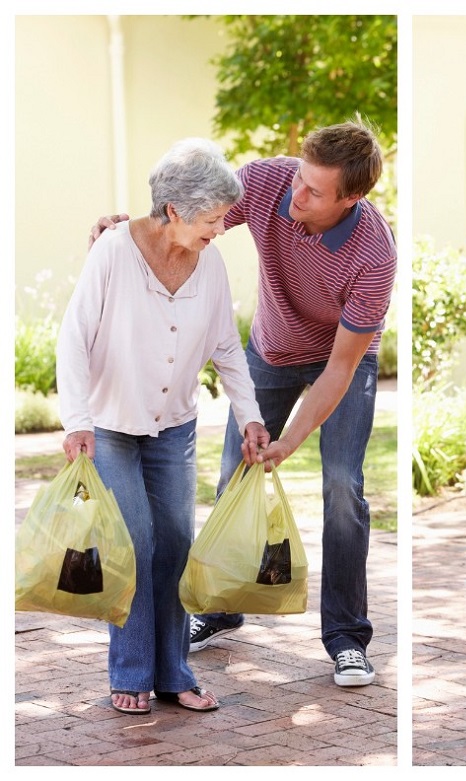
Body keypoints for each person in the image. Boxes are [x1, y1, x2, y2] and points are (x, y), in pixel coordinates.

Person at [91, 119, 396, 687]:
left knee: (341, 486)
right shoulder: (265, 182)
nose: (295, 194)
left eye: (314, 191)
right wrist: (127, 231)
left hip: (341, 361)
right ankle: (220, 607)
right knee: (233, 475)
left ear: (351, 198)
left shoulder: (374, 255)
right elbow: (185, 221)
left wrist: (289, 441)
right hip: (272, 349)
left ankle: (347, 637)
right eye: (299, 178)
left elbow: (338, 369)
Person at [59, 138, 269, 715]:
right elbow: (73, 338)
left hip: (174, 425)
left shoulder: (211, 262)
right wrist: (76, 419)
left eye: (225, 216)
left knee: (177, 544)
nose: (221, 228)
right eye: (212, 218)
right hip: (109, 425)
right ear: (173, 211)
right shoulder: (113, 252)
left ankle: (175, 672)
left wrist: (250, 415)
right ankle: (130, 672)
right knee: (135, 542)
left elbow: (227, 346)